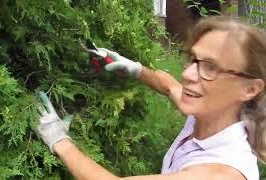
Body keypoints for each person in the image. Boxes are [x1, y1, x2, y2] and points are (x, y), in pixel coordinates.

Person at [37, 16, 266, 180]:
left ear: (250, 89)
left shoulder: (222, 172)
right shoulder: (210, 115)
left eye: (210, 67)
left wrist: (58, 139)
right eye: (192, 59)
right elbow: (168, 87)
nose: (187, 74)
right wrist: (134, 68)